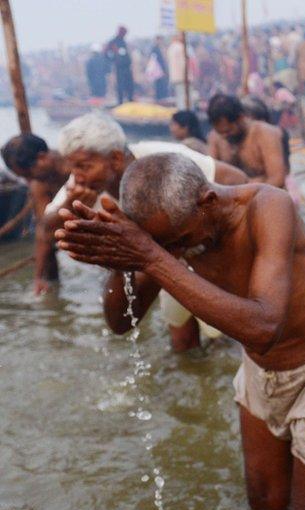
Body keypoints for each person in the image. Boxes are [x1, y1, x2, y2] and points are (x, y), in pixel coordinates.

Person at [54, 153, 305, 510]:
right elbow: (121, 324)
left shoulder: (268, 207)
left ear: (208, 202)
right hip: (261, 372)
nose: (176, 251)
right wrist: (120, 258)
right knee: (265, 507)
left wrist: (151, 257)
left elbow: (264, 327)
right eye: (163, 245)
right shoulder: (170, 238)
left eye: (178, 241)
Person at [44, 113, 247, 351]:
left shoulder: (161, 159)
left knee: (228, 333)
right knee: (181, 337)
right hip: (164, 257)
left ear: (116, 158)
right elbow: (47, 226)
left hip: (205, 251)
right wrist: (68, 206)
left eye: (84, 166)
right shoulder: (81, 187)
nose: (77, 175)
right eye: (73, 167)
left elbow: (235, 182)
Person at [1, 134, 71, 294]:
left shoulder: (76, 163)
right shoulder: (39, 184)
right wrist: (38, 278)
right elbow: (44, 229)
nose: (27, 181)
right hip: (66, 222)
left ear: (42, 158)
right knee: (50, 255)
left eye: (28, 174)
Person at [207, 94, 288, 189]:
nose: (224, 136)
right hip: (232, 199)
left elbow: (277, 179)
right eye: (220, 132)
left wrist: (247, 199)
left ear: (240, 118)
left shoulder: (265, 133)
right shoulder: (215, 137)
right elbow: (211, 176)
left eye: (228, 131)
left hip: (265, 198)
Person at [105, 26, 134, 104]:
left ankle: (130, 99)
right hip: (120, 67)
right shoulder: (113, 42)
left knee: (129, 83)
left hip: (126, 66)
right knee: (120, 84)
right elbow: (106, 53)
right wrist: (113, 60)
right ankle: (120, 101)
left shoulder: (122, 41)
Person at [168, 34, 190, 110]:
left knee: (179, 95)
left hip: (175, 76)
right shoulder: (181, 47)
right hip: (182, 76)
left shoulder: (171, 48)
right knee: (184, 95)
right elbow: (183, 63)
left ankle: (181, 110)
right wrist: (187, 75)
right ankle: (184, 111)